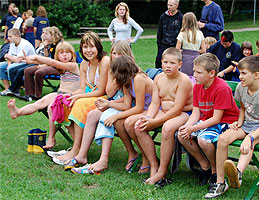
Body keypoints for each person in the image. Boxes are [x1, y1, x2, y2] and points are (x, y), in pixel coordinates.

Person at [205, 56, 259, 198]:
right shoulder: (241, 88)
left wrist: (249, 137)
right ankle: (220, 183)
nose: (240, 77)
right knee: (222, 139)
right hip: (247, 124)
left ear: (256, 75)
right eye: (239, 73)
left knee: (248, 143)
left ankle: (237, 174)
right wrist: (239, 121)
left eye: (244, 73)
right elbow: (243, 108)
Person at [66, 55, 153, 174]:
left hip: (153, 109)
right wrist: (108, 104)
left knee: (124, 122)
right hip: (142, 109)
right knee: (117, 121)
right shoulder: (127, 82)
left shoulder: (138, 79)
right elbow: (127, 105)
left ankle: (147, 158)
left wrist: (115, 115)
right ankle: (142, 155)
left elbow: (138, 107)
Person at [178, 53, 239, 187]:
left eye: (199, 72)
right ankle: (203, 165)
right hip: (207, 120)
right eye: (194, 70)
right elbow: (196, 112)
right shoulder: (197, 86)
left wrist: (192, 128)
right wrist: (187, 126)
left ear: (212, 73)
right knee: (181, 135)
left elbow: (217, 119)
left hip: (225, 122)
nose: (194, 74)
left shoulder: (221, 88)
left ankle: (215, 169)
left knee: (204, 140)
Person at [134, 47, 193, 185]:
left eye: (172, 63)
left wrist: (155, 122)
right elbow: (155, 103)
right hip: (166, 111)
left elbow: (177, 109)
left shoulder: (183, 80)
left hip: (185, 113)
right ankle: (153, 164)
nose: (168, 66)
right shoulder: (158, 78)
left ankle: (162, 171)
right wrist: (148, 118)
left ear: (180, 64)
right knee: (139, 126)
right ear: (161, 63)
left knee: (167, 128)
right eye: (165, 62)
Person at [7, 41, 80, 149]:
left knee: (52, 107)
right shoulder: (61, 67)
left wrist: (36, 57)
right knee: (40, 102)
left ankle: (51, 138)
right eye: (61, 53)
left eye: (67, 52)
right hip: (60, 94)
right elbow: (48, 63)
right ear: (57, 55)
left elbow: (52, 63)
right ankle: (18, 112)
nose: (65, 55)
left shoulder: (72, 66)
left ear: (73, 54)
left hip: (70, 96)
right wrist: (30, 61)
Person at [52, 32, 110, 164]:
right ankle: (77, 146)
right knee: (64, 102)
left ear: (98, 47)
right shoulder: (84, 64)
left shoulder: (105, 61)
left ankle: (77, 149)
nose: (88, 50)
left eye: (92, 46)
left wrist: (77, 97)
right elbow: (83, 89)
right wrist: (71, 95)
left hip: (104, 98)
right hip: (91, 95)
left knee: (79, 104)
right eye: (85, 47)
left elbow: (101, 90)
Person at [24, 26, 64, 100]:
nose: (44, 36)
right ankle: (29, 94)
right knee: (28, 70)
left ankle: (37, 95)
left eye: (47, 34)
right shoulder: (52, 44)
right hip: (51, 65)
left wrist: (45, 65)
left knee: (39, 72)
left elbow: (58, 61)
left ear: (53, 35)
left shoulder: (60, 45)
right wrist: (45, 47)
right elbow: (46, 56)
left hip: (59, 67)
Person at [0, 28, 36, 95]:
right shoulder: (12, 43)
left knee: (12, 68)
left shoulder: (24, 44)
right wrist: (8, 64)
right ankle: (7, 89)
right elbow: (9, 57)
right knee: (1, 66)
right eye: (8, 36)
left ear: (16, 36)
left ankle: (15, 91)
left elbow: (18, 60)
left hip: (27, 63)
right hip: (15, 62)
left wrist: (7, 56)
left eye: (10, 36)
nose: (8, 38)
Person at [155, 0, 183, 68]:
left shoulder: (181, 17)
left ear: (176, 6)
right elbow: (160, 31)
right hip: (163, 44)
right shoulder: (163, 17)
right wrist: (159, 44)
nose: (169, 7)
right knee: (159, 62)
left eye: (171, 5)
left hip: (175, 45)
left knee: (173, 63)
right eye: (168, 5)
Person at [176, 12, 205, 76]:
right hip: (196, 58)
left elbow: (177, 49)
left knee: (184, 77)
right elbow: (203, 50)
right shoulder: (200, 34)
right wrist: (195, 51)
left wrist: (183, 51)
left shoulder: (182, 34)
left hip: (185, 59)